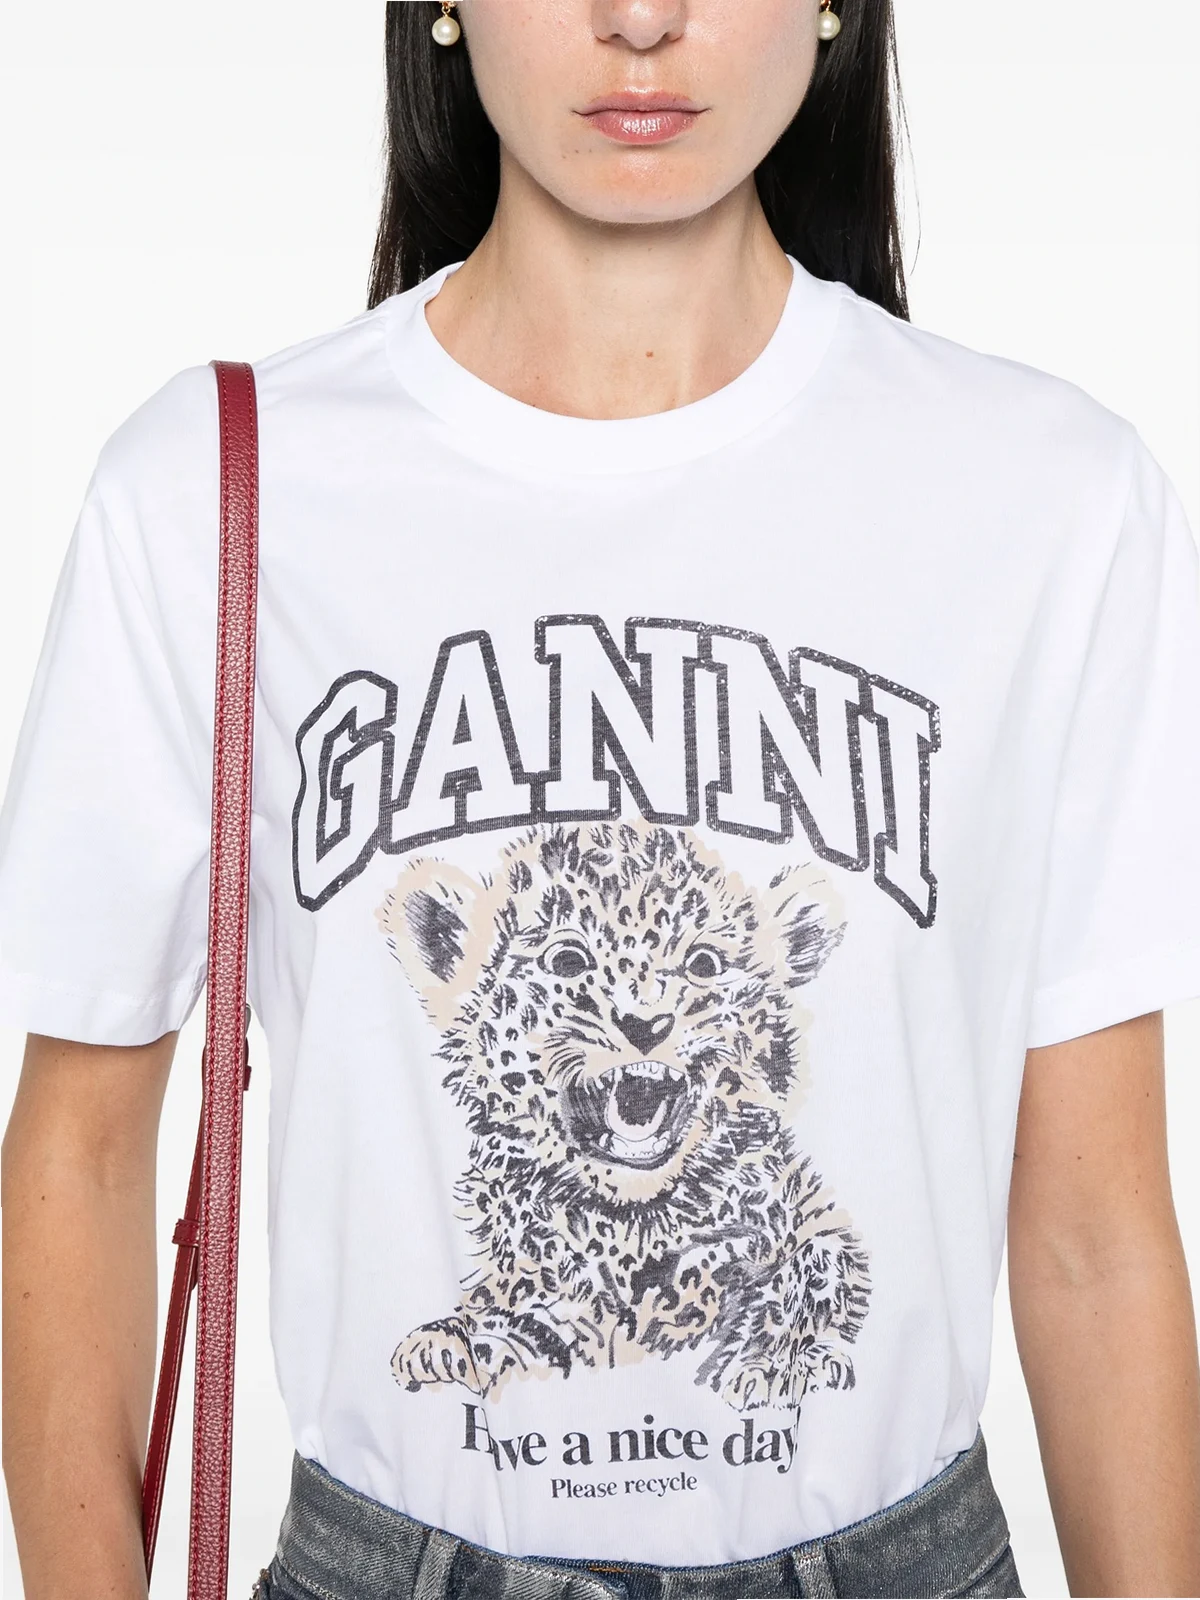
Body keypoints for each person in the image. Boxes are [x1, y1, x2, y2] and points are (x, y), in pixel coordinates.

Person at [3, 0, 1200, 1595]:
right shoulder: (213, 487)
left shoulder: (1052, 495)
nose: (642, 21)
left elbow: (1095, 1233)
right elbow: (81, 1154)